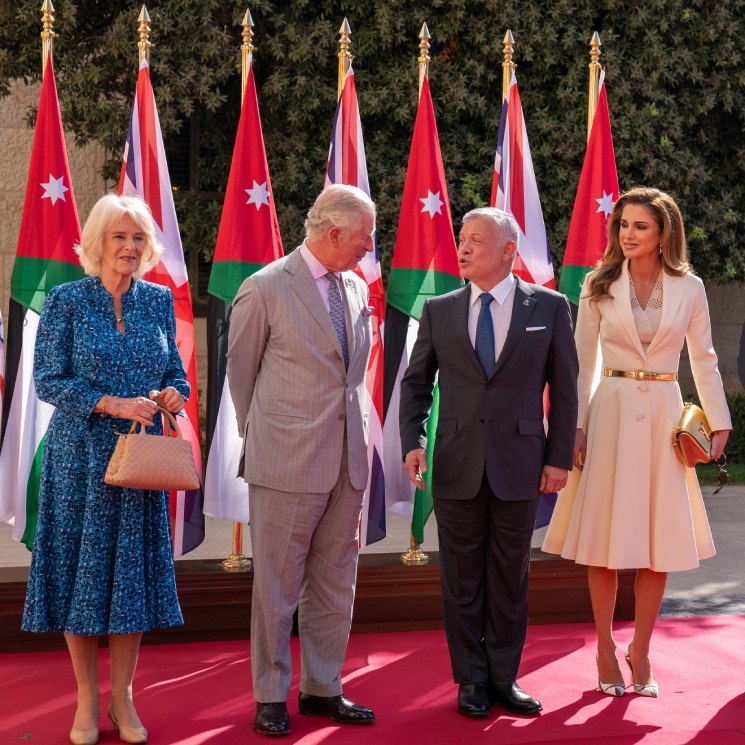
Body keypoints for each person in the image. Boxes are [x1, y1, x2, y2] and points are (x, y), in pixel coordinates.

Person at [543, 187, 731, 698]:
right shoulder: (596, 284)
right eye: (623, 224)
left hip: (667, 415)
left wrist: (719, 421)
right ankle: (605, 646)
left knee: (658, 543)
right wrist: (573, 427)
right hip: (611, 413)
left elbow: (705, 357)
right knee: (604, 542)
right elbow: (580, 364)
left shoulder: (689, 287)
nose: (628, 233)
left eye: (640, 226)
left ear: (663, 232)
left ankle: (641, 649)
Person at [22, 194, 190, 745]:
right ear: (97, 242)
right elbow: (47, 380)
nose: (130, 247)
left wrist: (173, 394)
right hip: (79, 461)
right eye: (119, 237)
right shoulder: (66, 300)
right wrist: (111, 403)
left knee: (129, 584)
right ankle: (87, 699)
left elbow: (176, 374)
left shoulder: (159, 301)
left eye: (138, 238)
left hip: (141, 466)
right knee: (78, 578)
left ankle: (123, 697)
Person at [399, 207, 579, 718]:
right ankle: (471, 680)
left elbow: (565, 392)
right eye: (462, 237)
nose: (465, 246)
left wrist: (558, 457)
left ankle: (505, 677)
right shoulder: (440, 309)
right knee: (461, 581)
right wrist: (413, 439)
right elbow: (415, 383)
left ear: (508, 251)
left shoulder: (549, 306)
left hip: (522, 463)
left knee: (509, 577)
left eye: (477, 239)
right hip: (454, 462)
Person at [226, 183, 377, 736]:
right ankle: (270, 693)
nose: (369, 247)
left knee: (336, 583)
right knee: (277, 586)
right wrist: (273, 438)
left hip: (347, 463)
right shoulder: (264, 287)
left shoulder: (357, 288)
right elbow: (240, 379)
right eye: (364, 236)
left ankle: (322, 687)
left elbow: (352, 378)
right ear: (334, 232)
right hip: (286, 462)